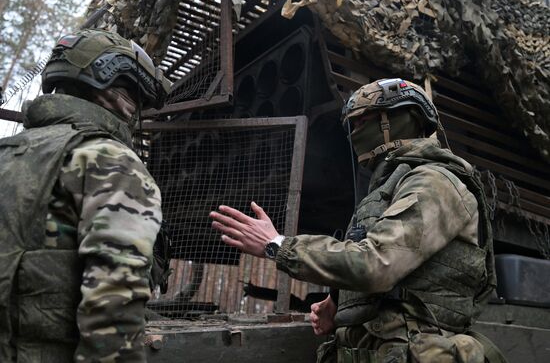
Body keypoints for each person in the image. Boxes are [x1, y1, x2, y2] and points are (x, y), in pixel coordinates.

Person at [210, 78, 500, 362]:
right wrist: (341, 303)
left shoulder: (435, 182)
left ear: (400, 120)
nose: (355, 133)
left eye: (364, 122)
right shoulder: (393, 185)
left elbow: (376, 264)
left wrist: (277, 245)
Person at [0, 29, 171, 362]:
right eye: (135, 97)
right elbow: (114, 309)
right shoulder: (108, 159)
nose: (134, 111)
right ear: (112, 86)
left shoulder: (7, 152)